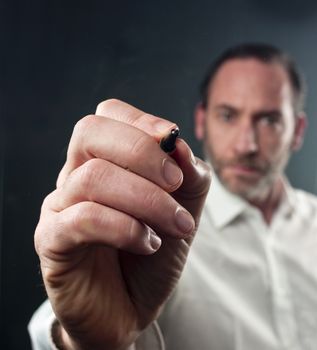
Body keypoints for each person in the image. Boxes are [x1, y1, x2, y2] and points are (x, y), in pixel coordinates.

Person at [29, 43, 317, 350]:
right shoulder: (153, 229)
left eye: (269, 120)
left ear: (298, 130)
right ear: (201, 120)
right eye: (228, 116)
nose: (246, 145)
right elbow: (51, 326)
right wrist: (83, 340)